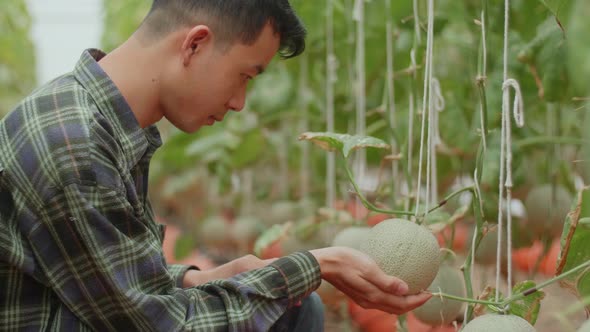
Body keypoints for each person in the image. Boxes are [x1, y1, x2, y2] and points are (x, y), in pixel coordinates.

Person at [0, 0, 432, 330]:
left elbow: (113, 280)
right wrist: (320, 264)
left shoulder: (89, 120)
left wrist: (205, 277)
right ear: (195, 44)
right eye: (245, 75)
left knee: (293, 309)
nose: (239, 102)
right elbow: (163, 325)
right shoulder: (76, 146)